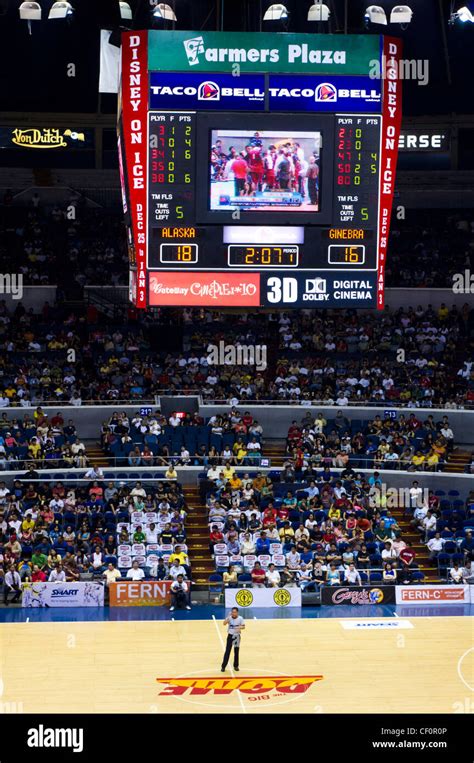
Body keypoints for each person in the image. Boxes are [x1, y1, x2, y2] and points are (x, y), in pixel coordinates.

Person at [221, 606, 245, 672]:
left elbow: (243, 626)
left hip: (237, 637)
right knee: (227, 652)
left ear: (237, 613)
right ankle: (223, 666)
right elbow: (224, 624)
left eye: (235, 612)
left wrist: (239, 627)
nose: (233, 613)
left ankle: (236, 666)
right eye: (232, 612)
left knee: (236, 652)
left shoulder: (240, 618)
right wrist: (228, 618)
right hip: (230, 636)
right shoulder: (229, 618)